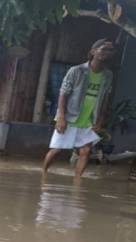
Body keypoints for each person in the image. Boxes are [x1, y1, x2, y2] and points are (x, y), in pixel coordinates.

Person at [43, 39, 115, 178]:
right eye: (104, 49)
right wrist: (61, 117)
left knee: (85, 151)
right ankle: (43, 175)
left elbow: (106, 98)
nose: (107, 52)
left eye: (110, 50)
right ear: (93, 51)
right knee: (57, 150)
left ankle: (77, 182)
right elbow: (63, 93)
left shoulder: (108, 75)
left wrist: (100, 120)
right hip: (70, 116)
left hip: (89, 119)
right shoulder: (76, 71)